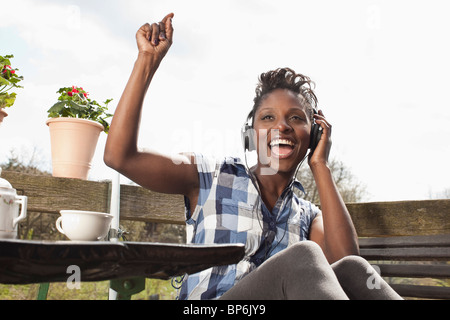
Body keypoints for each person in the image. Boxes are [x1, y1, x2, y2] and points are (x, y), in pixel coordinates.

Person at [104, 13, 402, 300]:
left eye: (296, 118)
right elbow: (120, 157)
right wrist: (147, 61)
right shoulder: (210, 175)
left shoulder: (309, 216)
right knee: (303, 255)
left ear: (313, 135)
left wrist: (320, 164)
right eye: (268, 117)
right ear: (251, 135)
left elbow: (346, 266)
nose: (281, 125)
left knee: (354, 268)